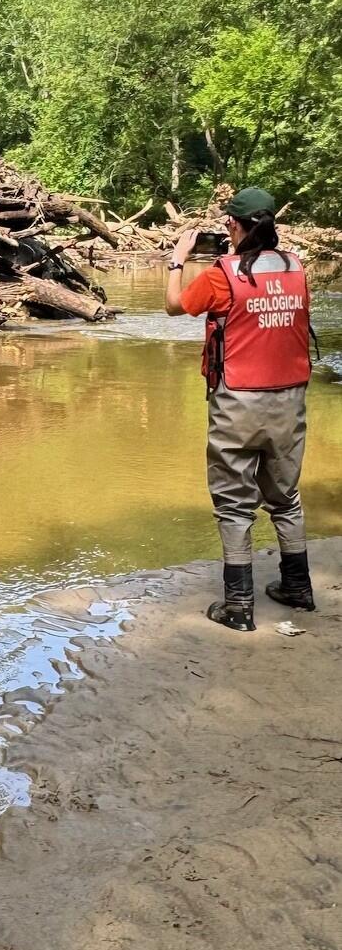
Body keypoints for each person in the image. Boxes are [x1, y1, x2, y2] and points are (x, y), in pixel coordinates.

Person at [165, 186, 315, 632]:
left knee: (234, 504)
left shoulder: (221, 273)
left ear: (234, 224)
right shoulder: (297, 267)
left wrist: (177, 260)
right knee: (285, 497)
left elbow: (175, 307)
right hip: (290, 398)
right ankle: (298, 588)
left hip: (238, 402)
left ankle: (239, 606)